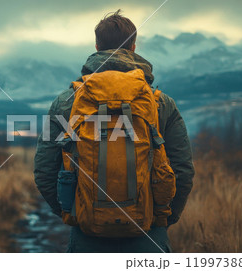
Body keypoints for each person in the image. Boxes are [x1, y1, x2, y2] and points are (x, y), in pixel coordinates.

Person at [34, 9, 195, 253]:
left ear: (97, 46)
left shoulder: (67, 102)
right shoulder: (161, 104)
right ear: (133, 47)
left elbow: (45, 170)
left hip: (86, 232)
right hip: (149, 234)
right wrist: (161, 219)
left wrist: (73, 212)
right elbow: (183, 170)